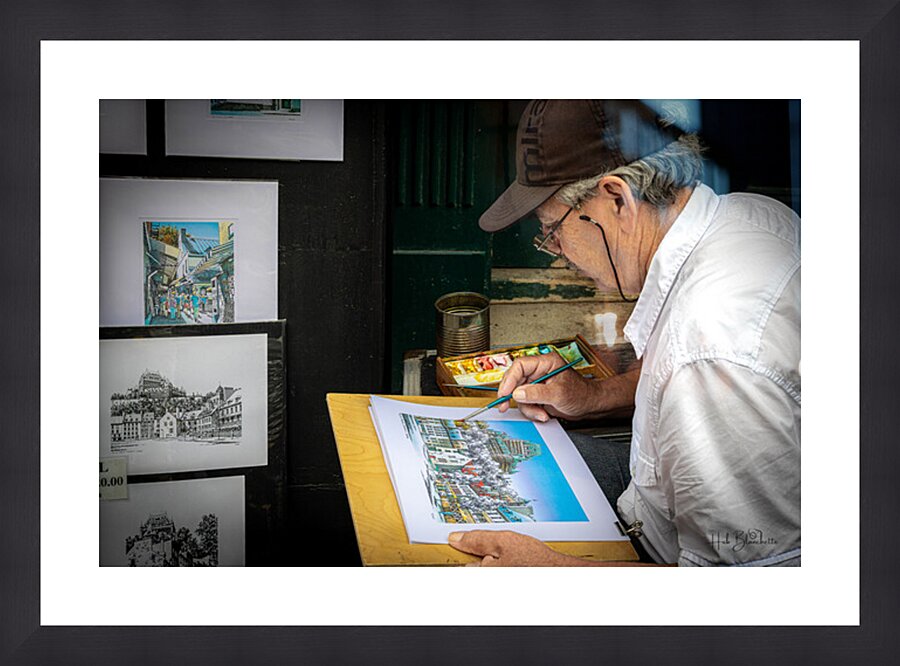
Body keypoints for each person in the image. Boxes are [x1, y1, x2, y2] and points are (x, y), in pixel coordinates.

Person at [448, 100, 800, 567]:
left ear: (617, 199)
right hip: (649, 502)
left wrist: (554, 572)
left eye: (553, 230)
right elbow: (674, 373)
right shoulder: (745, 215)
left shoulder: (710, 345)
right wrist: (593, 396)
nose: (557, 254)